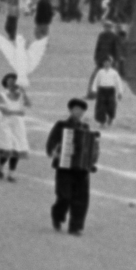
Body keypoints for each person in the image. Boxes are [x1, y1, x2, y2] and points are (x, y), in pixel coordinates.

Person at [46, 97, 99, 233]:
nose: (78, 112)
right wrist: (54, 152)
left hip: (81, 169)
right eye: (76, 109)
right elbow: (51, 142)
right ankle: (57, 216)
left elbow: (91, 147)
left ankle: (75, 227)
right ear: (70, 110)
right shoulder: (61, 125)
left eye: (81, 110)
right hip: (64, 166)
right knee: (64, 196)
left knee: (81, 198)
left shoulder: (86, 128)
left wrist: (92, 160)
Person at [0, 74, 30, 180]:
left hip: (18, 125)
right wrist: (18, 112)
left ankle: (11, 173)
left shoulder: (21, 95)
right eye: (10, 80)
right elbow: (5, 111)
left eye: (15, 80)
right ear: (6, 83)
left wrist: (24, 92)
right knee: (7, 148)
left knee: (17, 148)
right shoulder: (1, 95)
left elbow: (28, 104)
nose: (13, 82)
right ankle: (0, 165)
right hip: (6, 125)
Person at [88, 56, 123, 127]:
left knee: (111, 105)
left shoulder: (114, 73)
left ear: (111, 63)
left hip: (111, 90)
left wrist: (120, 92)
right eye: (105, 62)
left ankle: (110, 118)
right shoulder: (100, 72)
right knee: (101, 106)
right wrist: (94, 90)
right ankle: (102, 121)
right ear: (103, 63)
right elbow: (96, 81)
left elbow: (118, 82)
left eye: (108, 62)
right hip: (102, 90)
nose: (107, 64)